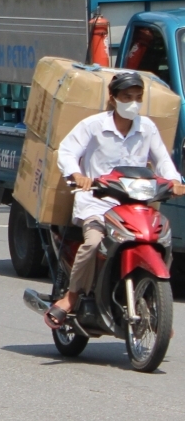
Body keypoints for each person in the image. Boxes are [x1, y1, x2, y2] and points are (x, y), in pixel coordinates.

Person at [47, 72, 185, 327]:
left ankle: (156, 306)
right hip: (97, 204)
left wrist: (175, 181)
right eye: (126, 97)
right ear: (113, 98)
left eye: (137, 97)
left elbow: (163, 160)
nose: (133, 102)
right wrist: (77, 174)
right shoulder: (94, 126)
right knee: (93, 242)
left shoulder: (147, 128)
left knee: (161, 239)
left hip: (134, 206)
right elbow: (67, 151)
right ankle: (72, 295)